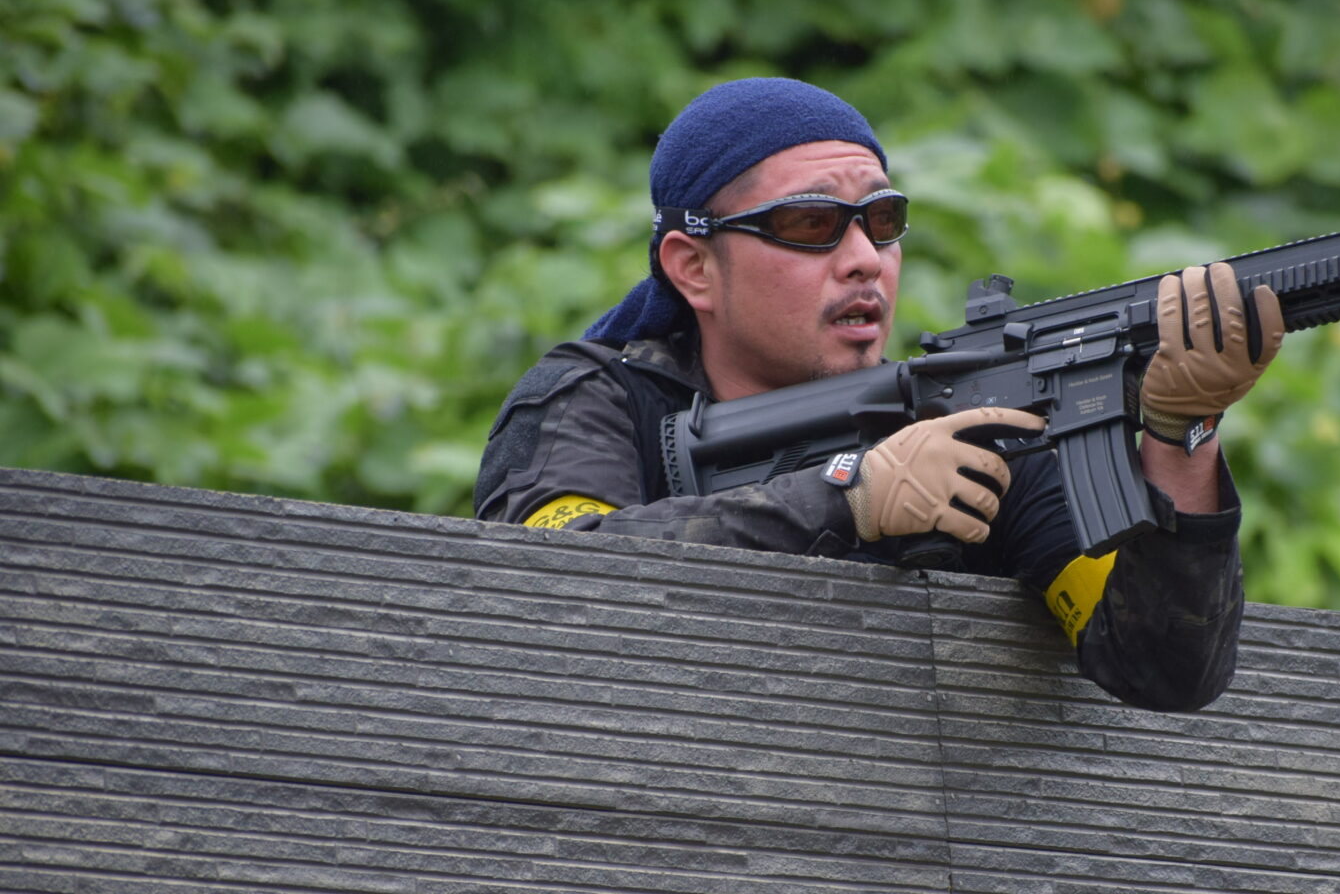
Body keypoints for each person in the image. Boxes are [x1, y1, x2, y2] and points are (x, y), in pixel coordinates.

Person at [474, 77, 1283, 712]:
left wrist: (1183, 433)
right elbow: (546, 587)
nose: (865, 257)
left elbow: (1163, 668)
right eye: (811, 225)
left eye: (883, 220)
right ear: (694, 268)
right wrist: (848, 497)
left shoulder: (974, 428)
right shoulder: (598, 396)